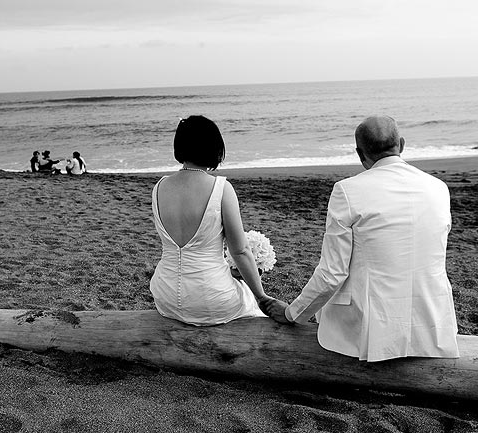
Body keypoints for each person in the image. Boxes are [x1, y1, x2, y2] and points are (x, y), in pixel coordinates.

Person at [264, 116, 460, 362]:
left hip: (371, 326)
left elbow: (332, 273)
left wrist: (293, 313)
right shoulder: (438, 188)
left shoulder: (347, 191)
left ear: (360, 153)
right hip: (432, 321)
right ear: (401, 144)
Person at [149, 115, 272, 326]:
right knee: (248, 299)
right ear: (213, 147)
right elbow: (240, 251)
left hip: (165, 296)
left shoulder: (159, 187)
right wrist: (262, 297)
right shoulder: (221, 188)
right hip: (210, 300)